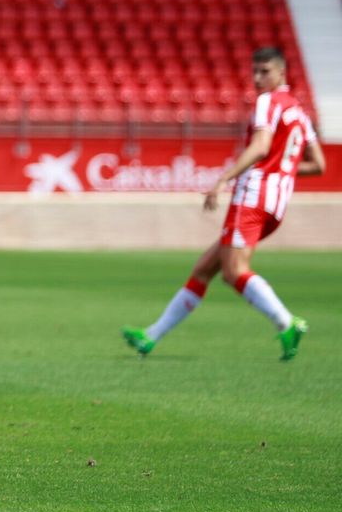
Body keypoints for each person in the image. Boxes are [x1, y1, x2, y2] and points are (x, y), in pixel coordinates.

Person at [124, 47, 324, 360]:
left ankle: (287, 322)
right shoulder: (298, 111)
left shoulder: (266, 102)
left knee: (234, 271)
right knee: (205, 268)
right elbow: (318, 164)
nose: (258, 78)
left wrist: (224, 178)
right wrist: (281, 169)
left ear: (282, 73)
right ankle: (150, 336)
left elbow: (260, 147)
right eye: (254, 71)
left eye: (265, 71)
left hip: (253, 196)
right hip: (276, 204)